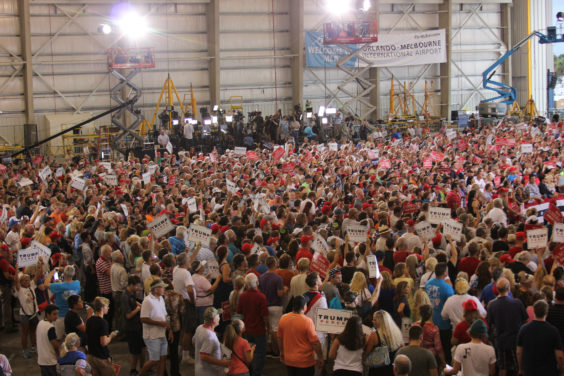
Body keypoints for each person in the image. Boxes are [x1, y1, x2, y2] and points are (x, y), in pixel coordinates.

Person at [486, 277, 527, 376]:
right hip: (516, 340)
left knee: (502, 368)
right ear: (509, 289)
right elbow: (525, 320)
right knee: (519, 368)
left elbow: (490, 324)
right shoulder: (517, 303)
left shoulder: (492, 305)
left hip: (501, 341)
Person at [277, 295, 324, 376]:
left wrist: (282, 352)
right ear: (304, 307)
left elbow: (280, 338)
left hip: (289, 360)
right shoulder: (307, 321)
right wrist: (320, 357)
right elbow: (315, 342)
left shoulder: (283, 318)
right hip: (305, 362)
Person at [516, 300, 564, 376]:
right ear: (547, 313)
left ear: (534, 311)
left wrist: (520, 369)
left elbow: (519, 352)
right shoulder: (553, 331)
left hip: (529, 370)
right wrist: (562, 371)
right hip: (548, 371)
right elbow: (560, 356)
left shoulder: (524, 329)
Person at [237, 273, 269, 376]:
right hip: (259, 330)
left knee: (247, 352)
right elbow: (265, 316)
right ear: (257, 283)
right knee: (259, 354)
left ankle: (249, 371)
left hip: (247, 330)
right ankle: (256, 373)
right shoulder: (261, 297)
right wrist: (267, 327)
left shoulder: (242, 296)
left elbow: (239, 311)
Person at [139, 279, 173, 376]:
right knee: (154, 360)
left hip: (162, 333)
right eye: (162, 287)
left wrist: (169, 329)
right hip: (152, 335)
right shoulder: (147, 301)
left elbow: (165, 315)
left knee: (163, 359)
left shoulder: (161, 299)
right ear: (156, 289)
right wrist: (160, 323)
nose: (164, 289)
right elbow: (143, 319)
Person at [424, 262, 454, 364]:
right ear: (445, 272)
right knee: (445, 349)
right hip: (443, 324)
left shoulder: (428, 283)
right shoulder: (447, 287)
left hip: (430, 320)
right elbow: (451, 305)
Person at [259, 256, 286, 357]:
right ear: (275, 264)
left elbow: (260, 292)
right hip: (276, 305)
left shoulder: (261, 277)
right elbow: (279, 294)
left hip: (265, 305)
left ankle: (268, 348)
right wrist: (285, 290)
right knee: (275, 330)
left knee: (267, 328)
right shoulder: (278, 278)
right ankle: (278, 350)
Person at [173, 252, 197, 365]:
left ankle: (179, 351)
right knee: (188, 329)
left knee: (182, 328)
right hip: (187, 303)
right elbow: (190, 290)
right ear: (184, 262)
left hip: (179, 302)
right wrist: (193, 301)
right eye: (188, 260)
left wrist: (197, 249)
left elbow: (188, 258)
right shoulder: (186, 273)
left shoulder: (176, 269)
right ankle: (186, 355)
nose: (190, 261)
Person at [365, 310, 404, 376]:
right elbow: (402, 347)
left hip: (377, 370)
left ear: (380, 322)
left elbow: (366, 352)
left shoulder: (374, 335)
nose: (372, 321)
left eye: (374, 320)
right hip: (392, 369)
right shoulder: (396, 334)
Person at [193, 307, 230, 375]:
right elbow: (204, 356)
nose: (219, 318)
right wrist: (223, 363)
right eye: (218, 316)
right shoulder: (209, 336)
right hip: (208, 372)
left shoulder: (200, 327)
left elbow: (194, 342)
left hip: (199, 370)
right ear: (214, 320)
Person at [47, 265, 81, 340]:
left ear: (64, 274)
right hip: (73, 315)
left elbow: (46, 284)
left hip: (61, 315)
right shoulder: (77, 284)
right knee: (72, 339)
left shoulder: (60, 286)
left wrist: (52, 272)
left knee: (58, 338)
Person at [85, 297, 117, 376]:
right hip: (101, 356)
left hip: (91, 356)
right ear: (102, 308)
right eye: (107, 306)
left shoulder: (89, 320)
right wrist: (111, 336)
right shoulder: (103, 323)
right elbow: (103, 342)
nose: (108, 308)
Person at [121, 275, 145, 376]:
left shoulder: (131, 293)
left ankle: (143, 368)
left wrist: (141, 305)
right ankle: (133, 370)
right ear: (131, 285)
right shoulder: (125, 296)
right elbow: (128, 315)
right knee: (134, 351)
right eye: (137, 286)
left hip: (137, 326)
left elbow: (134, 302)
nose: (138, 288)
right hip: (131, 328)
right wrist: (138, 309)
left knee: (141, 348)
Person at [13, 270, 39, 359]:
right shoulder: (20, 290)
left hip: (33, 313)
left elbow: (37, 275)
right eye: (24, 280)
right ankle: (25, 349)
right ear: (21, 282)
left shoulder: (31, 287)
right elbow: (16, 280)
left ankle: (34, 346)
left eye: (28, 280)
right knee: (25, 332)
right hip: (24, 314)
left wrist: (39, 265)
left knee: (33, 331)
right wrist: (16, 270)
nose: (27, 282)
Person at [37, 304, 60, 376]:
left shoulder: (40, 323)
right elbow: (55, 344)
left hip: (41, 360)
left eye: (57, 314)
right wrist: (59, 354)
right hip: (50, 361)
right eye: (54, 314)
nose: (56, 316)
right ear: (47, 314)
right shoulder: (50, 327)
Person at [110, 249, 127, 334]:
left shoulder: (113, 266)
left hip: (114, 291)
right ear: (118, 259)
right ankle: (121, 332)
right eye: (121, 256)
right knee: (121, 314)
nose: (123, 257)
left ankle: (118, 330)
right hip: (120, 293)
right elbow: (124, 284)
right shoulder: (121, 270)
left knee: (117, 314)